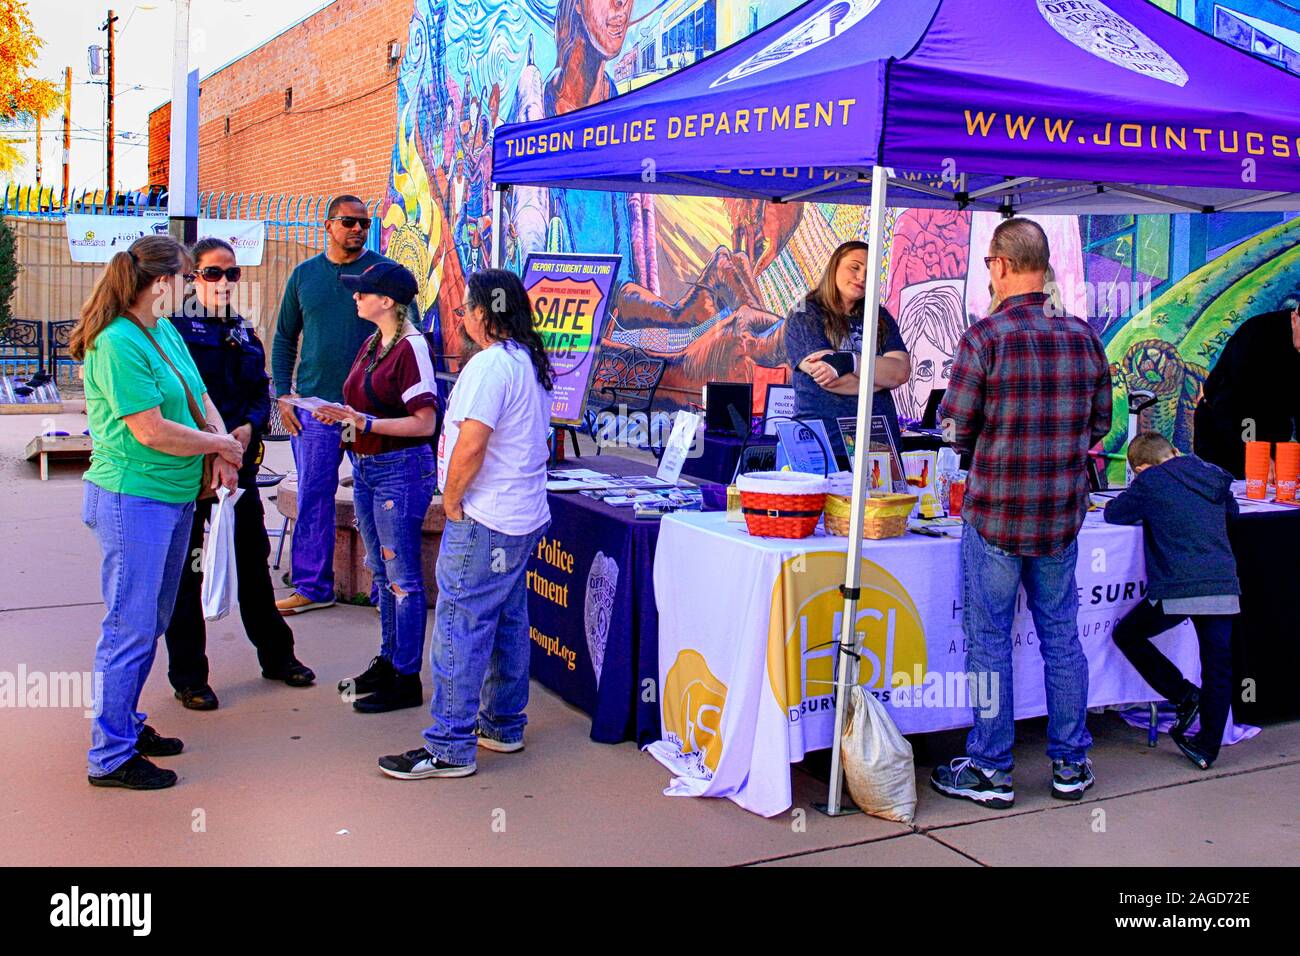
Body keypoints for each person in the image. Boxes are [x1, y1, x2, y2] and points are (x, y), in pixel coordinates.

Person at [931, 218, 1112, 808]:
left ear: (1000, 265)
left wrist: (980, 436)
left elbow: (955, 428)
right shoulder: (1083, 336)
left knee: (989, 641)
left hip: (997, 517)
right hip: (1060, 516)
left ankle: (990, 767)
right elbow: (1102, 423)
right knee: (1061, 635)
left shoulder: (984, 337)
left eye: (988, 265)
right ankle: (1070, 763)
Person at [72, 235, 244, 790]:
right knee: (130, 626)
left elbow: (199, 398)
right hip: (132, 498)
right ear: (161, 282)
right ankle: (111, 754)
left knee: (153, 620)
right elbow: (150, 431)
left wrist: (221, 448)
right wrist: (217, 447)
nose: (196, 286)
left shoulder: (160, 329)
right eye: (189, 276)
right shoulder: (117, 341)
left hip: (170, 498)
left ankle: (124, 723)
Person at [378, 269, 552, 779]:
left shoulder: (490, 367)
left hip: (486, 515)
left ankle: (450, 745)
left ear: (481, 312)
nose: (462, 317)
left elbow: (473, 443)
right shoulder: (528, 362)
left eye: (464, 309)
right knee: (506, 618)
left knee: (460, 620)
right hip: (519, 514)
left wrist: (451, 500)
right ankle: (501, 723)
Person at [164, 238, 315, 711]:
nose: (225, 282)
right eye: (214, 273)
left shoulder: (241, 328)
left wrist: (248, 428)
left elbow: (257, 390)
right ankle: (189, 677)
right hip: (193, 470)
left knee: (253, 562)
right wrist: (214, 449)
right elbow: (178, 400)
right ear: (193, 278)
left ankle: (278, 656)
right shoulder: (173, 330)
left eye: (232, 273)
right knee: (187, 575)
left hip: (237, 470)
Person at [311, 261, 438, 714]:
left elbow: (425, 421)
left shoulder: (410, 347)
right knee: (382, 573)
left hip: (399, 468)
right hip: (368, 465)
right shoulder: (374, 343)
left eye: (363, 292)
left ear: (387, 302)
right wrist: (338, 412)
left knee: (402, 576)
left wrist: (364, 422)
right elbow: (362, 402)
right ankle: (390, 660)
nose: (355, 297)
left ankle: (406, 676)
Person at [271, 195, 389, 615]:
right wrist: (283, 394)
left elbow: (401, 334)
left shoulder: (381, 273)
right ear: (328, 225)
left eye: (364, 223)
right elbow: (284, 338)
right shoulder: (305, 276)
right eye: (348, 222)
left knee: (377, 498)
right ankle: (312, 587)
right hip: (316, 408)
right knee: (314, 496)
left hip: (370, 410)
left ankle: (384, 591)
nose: (358, 229)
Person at [1104, 432, 1239, 770]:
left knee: (1128, 635)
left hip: (1179, 588)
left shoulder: (1149, 483)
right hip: (1223, 584)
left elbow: (1114, 513)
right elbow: (1231, 513)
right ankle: (1207, 748)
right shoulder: (1213, 474)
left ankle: (1182, 695)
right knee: (1218, 666)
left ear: (1142, 468)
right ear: (1175, 451)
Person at [783, 240, 911, 461]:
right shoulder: (805, 314)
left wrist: (854, 363)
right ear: (835, 265)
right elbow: (829, 379)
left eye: (869, 272)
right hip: (824, 443)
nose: (861, 277)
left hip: (878, 441)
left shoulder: (879, 316)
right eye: (855, 266)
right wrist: (881, 379)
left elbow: (900, 372)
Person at [1193, 295, 1300, 478]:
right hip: (1224, 427)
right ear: (1295, 317)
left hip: (1271, 430)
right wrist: (1256, 454)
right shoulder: (1257, 335)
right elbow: (1232, 404)